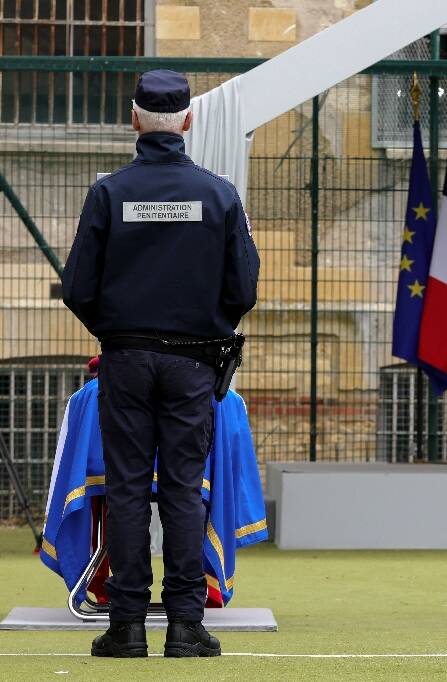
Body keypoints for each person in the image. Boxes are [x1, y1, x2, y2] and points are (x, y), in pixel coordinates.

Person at [61, 69, 260, 658]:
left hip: (124, 358)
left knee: (124, 487)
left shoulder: (109, 193)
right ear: (189, 121)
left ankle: (125, 625)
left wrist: (117, 330)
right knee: (181, 489)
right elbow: (243, 287)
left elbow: (77, 286)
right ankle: (184, 625)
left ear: (134, 119)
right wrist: (203, 327)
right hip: (193, 363)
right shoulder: (220, 194)